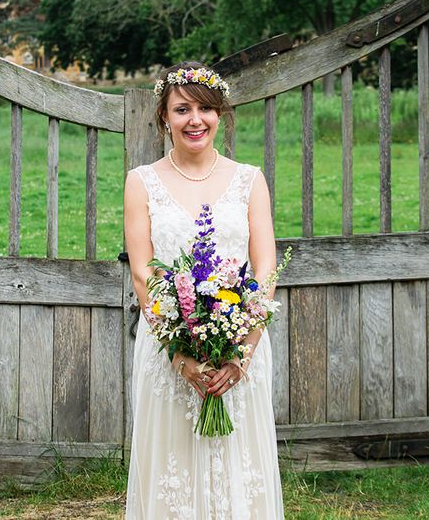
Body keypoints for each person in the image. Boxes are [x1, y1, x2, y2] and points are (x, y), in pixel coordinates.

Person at [124, 62, 284, 519]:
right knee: (173, 465)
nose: (195, 119)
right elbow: (143, 274)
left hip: (240, 344)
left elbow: (266, 268)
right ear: (164, 118)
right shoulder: (142, 182)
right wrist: (179, 353)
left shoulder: (249, 180)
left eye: (206, 109)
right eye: (182, 109)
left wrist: (242, 351)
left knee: (239, 463)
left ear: (221, 115)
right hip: (167, 350)